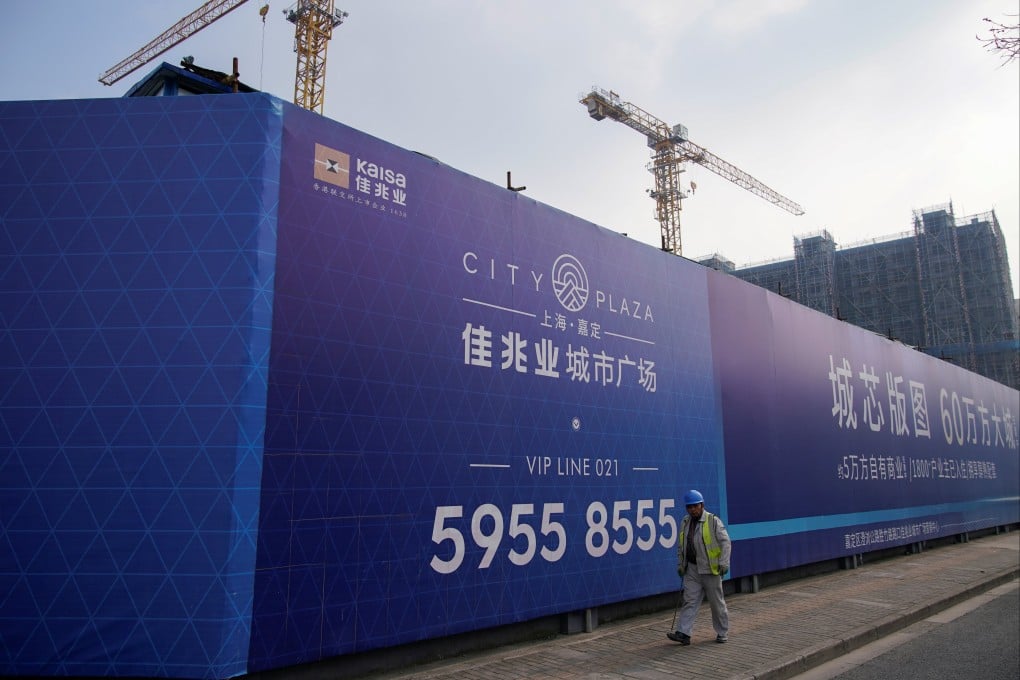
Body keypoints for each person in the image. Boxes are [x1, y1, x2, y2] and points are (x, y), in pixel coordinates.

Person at [667, 489, 731, 645]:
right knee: (690, 600)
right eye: (689, 507)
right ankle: (683, 633)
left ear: (702, 505)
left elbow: (725, 542)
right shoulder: (685, 522)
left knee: (716, 603)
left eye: (695, 506)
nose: (693, 510)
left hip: (710, 569)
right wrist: (681, 565)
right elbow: (681, 546)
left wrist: (724, 563)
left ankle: (722, 632)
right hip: (692, 569)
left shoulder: (712, 521)